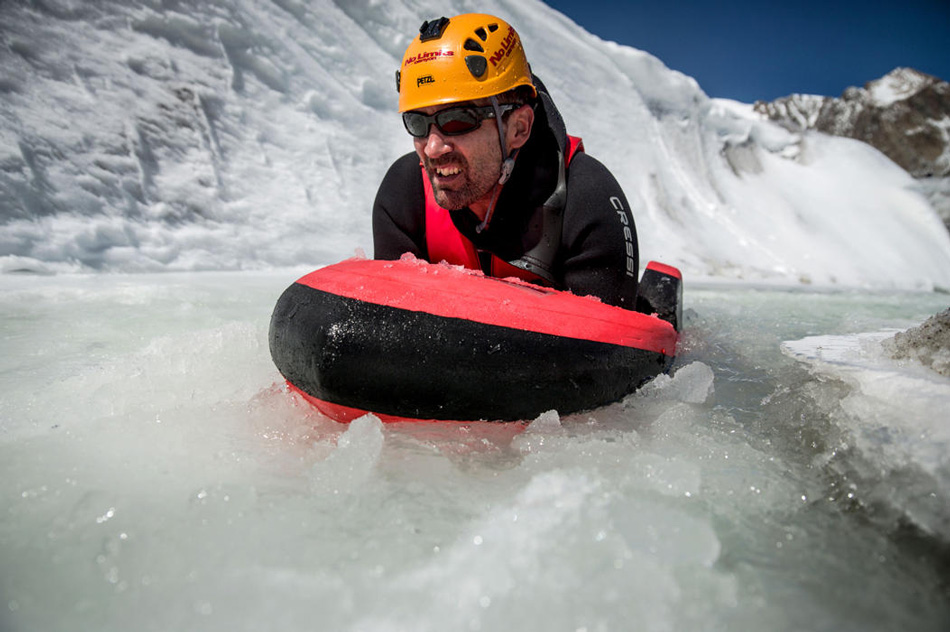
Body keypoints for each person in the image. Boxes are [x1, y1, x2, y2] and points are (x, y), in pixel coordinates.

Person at [372, 13, 640, 309]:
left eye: (458, 120)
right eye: (418, 122)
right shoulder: (406, 191)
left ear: (518, 128)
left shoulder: (586, 198)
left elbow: (607, 350)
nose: (432, 148)